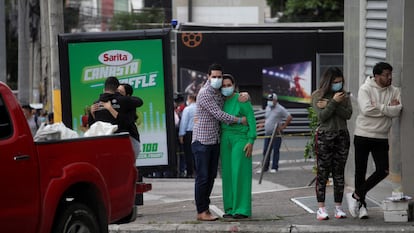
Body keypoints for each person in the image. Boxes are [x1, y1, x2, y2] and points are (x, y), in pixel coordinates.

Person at [346, 62, 402, 219]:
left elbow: (397, 111)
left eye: (391, 74)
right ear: (377, 76)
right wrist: (387, 109)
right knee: (360, 171)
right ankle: (362, 205)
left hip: (382, 136)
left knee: (383, 170)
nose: (390, 77)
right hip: (363, 135)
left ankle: (355, 195)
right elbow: (366, 109)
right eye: (386, 75)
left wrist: (378, 106)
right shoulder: (365, 89)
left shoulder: (395, 91)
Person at [191, 63, 247, 221]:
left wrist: (245, 95)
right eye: (213, 76)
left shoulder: (220, 91)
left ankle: (205, 209)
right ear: (208, 76)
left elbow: (232, 97)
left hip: (215, 140)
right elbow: (218, 114)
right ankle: (201, 211)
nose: (217, 79)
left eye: (219, 76)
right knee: (202, 178)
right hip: (202, 141)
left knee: (210, 178)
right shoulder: (205, 93)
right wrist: (239, 120)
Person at [311, 67, 352, 220]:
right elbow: (322, 117)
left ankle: (338, 207)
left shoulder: (344, 96)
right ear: (328, 81)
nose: (338, 84)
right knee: (322, 172)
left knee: (339, 172)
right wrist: (333, 102)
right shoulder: (317, 95)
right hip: (325, 135)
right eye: (335, 82)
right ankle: (321, 208)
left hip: (342, 134)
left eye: (340, 81)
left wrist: (332, 103)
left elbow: (348, 115)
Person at [220, 74, 257, 219]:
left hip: (241, 139)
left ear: (234, 86)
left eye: (229, 85)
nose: (226, 88)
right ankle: (229, 208)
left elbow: (252, 121)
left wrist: (251, 140)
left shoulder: (242, 99)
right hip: (225, 139)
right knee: (227, 175)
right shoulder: (220, 100)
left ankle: (242, 209)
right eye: (223, 85)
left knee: (240, 173)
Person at [89, 76, 143, 158]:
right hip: (122, 142)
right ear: (116, 89)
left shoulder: (96, 104)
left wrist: (110, 109)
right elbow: (95, 126)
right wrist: (93, 113)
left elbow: (92, 127)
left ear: (104, 88)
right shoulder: (124, 101)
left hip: (107, 145)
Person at [257, 93, 292, 173]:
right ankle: (265, 167)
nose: (270, 102)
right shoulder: (268, 107)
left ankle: (274, 167)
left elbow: (289, 117)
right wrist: (262, 124)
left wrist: (283, 126)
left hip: (276, 133)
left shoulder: (280, 109)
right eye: (269, 100)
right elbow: (267, 118)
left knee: (275, 150)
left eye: (271, 100)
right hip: (267, 132)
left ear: (275, 100)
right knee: (266, 150)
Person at [178, 94, 197, 178]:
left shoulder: (187, 109)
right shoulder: (200, 108)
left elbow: (184, 122)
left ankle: (190, 172)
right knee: (197, 153)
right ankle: (197, 171)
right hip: (199, 133)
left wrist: (181, 134)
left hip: (189, 133)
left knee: (188, 153)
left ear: (190, 98)